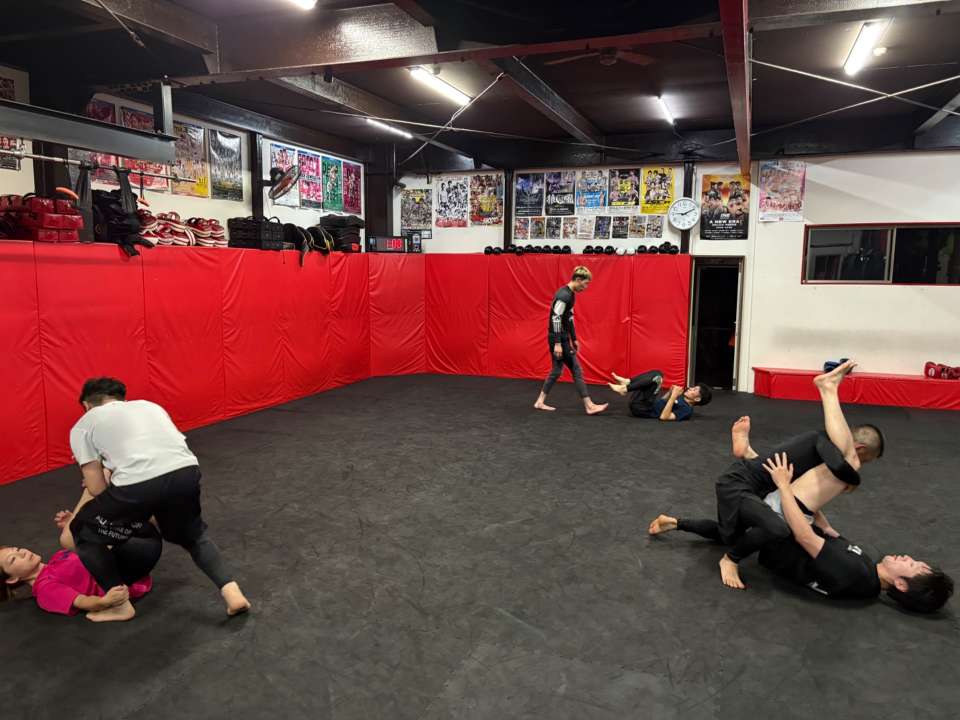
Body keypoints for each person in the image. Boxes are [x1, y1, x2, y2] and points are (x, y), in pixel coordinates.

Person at [649, 360, 884, 588]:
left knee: (729, 535)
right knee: (778, 529)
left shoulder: (822, 451)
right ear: (859, 448)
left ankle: (675, 522)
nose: (859, 463)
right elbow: (846, 465)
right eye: (865, 459)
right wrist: (854, 478)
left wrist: (825, 526)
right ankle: (730, 560)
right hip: (737, 485)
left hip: (752, 484)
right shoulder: (823, 442)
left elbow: (804, 493)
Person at [68, 377, 250, 618]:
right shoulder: (150, 406)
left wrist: (120, 506)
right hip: (186, 472)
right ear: (121, 398)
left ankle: (119, 605)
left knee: (82, 529)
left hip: (137, 483)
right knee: (193, 535)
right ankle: (232, 592)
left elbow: (96, 487)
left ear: (86, 405)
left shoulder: (83, 425)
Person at [1, 488, 161, 622]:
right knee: (70, 536)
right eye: (13, 559)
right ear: (12, 579)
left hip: (135, 552)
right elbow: (81, 601)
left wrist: (76, 525)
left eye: (17, 549)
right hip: (125, 578)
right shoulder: (45, 589)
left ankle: (92, 495)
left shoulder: (58, 557)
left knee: (79, 533)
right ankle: (91, 490)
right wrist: (104, 602)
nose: (22, 552)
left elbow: (99, 551)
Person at [534, 266, 608, 415]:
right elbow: (555, 318)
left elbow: (569, 318)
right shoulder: (563, 296)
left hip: (562, 337)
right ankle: (589, 406)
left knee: (556, 370)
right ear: (578, 280)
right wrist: (558, 343)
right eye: (585, 284)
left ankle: (539, 402)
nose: (586, 287)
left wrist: (574, 338)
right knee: (576, 369)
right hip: (558, 338)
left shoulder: (571, 294)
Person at [607, 370, 712, 421]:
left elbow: (664, 417)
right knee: (658, 374)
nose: (690, 388)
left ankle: (625, 388)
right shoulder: (682, 399)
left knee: (657, 378)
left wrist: (673, 396)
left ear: (697, 399)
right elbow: (662, 403)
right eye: (693, 387)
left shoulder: (687, 410)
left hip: (643, 409)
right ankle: (628, 382)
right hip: (645, 404)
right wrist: (670, 392)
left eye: (694, 390)